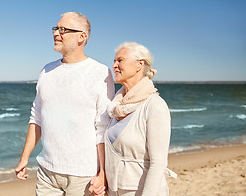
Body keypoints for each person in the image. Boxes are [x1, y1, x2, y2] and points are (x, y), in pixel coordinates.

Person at [15, 12, 115, 196]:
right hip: (47, 170)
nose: (56, 33)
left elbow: (103, 128)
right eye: (55, 28)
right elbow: (36, 117)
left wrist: (103, 173)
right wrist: (24, 158)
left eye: (63, 30)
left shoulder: (101, 72)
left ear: (81, 37)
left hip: (84, 174)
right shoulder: (46, 70)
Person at [103, 42, 177, 196]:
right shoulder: (115, 106)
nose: (114, 65)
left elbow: (158, 164)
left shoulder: (155, 106)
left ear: (139, 65)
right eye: (114, 61)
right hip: (114, 191)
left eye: (120, 60)